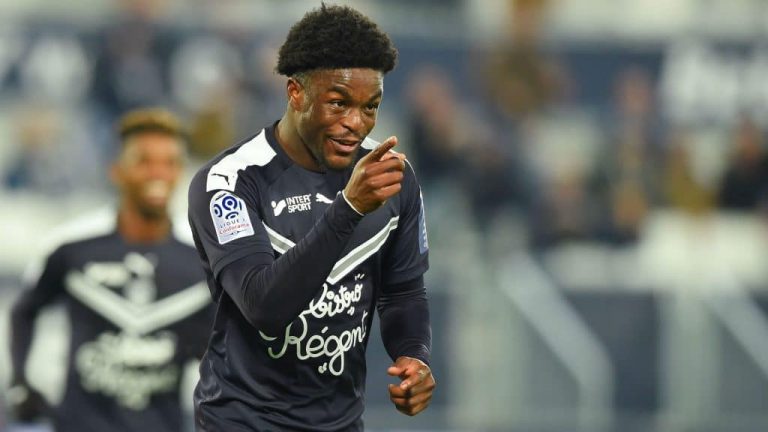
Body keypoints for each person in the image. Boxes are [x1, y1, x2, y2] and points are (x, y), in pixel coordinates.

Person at [187, 4, 435, 431]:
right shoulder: (230, 182)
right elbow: (263, 306)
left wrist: (414, 356)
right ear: (295, 93)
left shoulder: (392, 176)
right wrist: (348, 210)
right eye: (338, 103)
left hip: (340, 422)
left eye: (370, 106)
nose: (355, 123)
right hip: (243, 420)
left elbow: (404, 292)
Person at [8, 108, 213, 432]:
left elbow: (216, 350)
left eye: (170, 162)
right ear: (116, 170)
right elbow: (24, 311)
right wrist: (20, 381)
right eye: (144, 161)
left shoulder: (202, 262)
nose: (158, 173)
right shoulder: (72, 247)